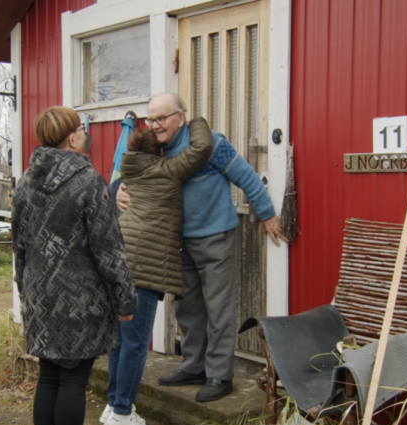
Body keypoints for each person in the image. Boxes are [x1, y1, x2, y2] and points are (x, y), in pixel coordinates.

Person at [117, 93, 288, 403]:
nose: (154, 126)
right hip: (176, 242)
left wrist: (268, 215)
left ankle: (220, 375)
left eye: (161, 118)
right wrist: (120, 194)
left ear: (180, 118)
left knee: (219, 309)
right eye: (150, 119)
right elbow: (133, 180)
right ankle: (193, 365)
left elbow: (246, 177)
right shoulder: (155, 151)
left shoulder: (211, 144)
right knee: (187, 308)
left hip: (215, 238)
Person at [12, 106, 138, 425]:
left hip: (40, 298)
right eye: (82, 128)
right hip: (80, 303)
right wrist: (125, 300)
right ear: (72, 137)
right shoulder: (88, 181)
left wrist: (25, 292)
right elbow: (108, 249)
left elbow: (19, 247)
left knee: (50, 376)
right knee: (72, 381)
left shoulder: (26, 182)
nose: (85, 133)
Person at [102, 120, 213, 425]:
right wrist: (192, 121)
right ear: (158, 152)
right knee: (136, 344)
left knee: (120, 342)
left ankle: (113, 406)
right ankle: (123, 413)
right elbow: (202, 148)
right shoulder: (165, 170)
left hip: (120, 261)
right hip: (144, 268)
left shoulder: (129, 174)